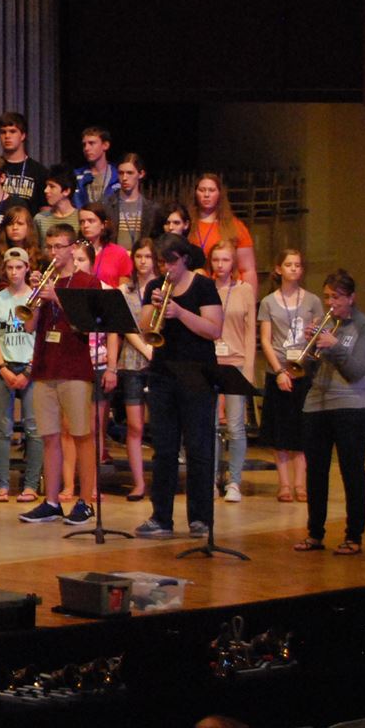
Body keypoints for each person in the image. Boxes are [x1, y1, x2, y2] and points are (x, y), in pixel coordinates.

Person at [134, 235, 224, 538]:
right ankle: (161, 517)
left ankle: (201, 518)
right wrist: (154, 307)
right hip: (162, 374)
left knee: (198, 448)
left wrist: (180, 312)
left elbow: (214, 329)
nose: (166, 268)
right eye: (161, 262)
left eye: (170, 262)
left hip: (198, 375)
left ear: (184, 258)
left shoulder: (203, 286)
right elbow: (146, 329)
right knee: (164, 449)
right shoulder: (154, 286)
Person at [15, 224, 99, 526]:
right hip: (44, 367)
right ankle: (51, 502)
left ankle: (85, 502)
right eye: (49, 247)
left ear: (73, 248)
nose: (53, 253)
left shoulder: (87, 282)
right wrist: (36, 296)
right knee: (49, 436)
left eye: (59, 247)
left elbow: (87, 324)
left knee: (81, 435)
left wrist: (57, 297)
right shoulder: (46, 282)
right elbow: (28, 325)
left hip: (74, 368)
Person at [294, 269, 365, 556]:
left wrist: (335, 346)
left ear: (351, 298)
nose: (331, 303)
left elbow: (356, 371)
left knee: (352, 471)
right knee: (316, 472)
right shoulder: (324, 324)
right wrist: (308, 345)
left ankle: (354, 536)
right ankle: (315, 533)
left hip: (353, 405)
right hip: (317, 403)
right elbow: (308, 370)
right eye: (327, 297)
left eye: (337, 297)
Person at [258, 247, 320, 504]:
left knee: (302, 430)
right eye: (288, 264)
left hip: (303, 371)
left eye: (297, 265)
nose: (293, 268)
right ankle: (284, 484)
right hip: (279, 371)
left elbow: (318, 336)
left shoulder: (312, 301)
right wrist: (279, 371)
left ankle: (300, 484)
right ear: (278, 269)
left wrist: (313, 335)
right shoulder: (269, 302)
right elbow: (265, 339)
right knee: (280, 431)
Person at [0, 248, 43, 503]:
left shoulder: (35, 298)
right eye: (10, 267)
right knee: (3, 428)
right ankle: (2, 485)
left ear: (27, 268)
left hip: (30, 365)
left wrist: (29, 370)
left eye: (19, 267)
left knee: (34, 427)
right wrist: (2, 368)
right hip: (4, 365)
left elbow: (41, 338)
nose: (14, 272)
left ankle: (30, 485)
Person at [112, 240, 159, 502]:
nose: (143, 261)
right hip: (131, 361)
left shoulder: (163, 288)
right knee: (134, 425)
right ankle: (138, 483)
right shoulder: (125, 290)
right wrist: (145, 349)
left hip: (159, 362)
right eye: (139, 256)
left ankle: (161, 480)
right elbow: (126, 326)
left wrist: (154, 351)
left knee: (161, 425)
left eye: (148, 256)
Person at [208, 242, 255, 502]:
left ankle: (234, 481)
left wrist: (248, 370)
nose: (220, 265)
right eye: (216, 260)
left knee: (235, 426)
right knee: (211, 425)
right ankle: (211, 479)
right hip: (211, 363)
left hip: (236, 362)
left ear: (233, 263)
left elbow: (250, 332)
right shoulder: (207, 288)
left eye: (225, 260)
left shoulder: (244, 290)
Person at [190, 173, 257, 292]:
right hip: (195, 290)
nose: (206, 194)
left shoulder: (235, 226)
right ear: (195, 193)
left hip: (229, 291)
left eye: (211, 190)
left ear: (219, 194)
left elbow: (248, 269)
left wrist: (250, 299)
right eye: (202, 190)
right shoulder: (186, 225)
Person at [0, 111, 48, 211]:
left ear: (23, 135)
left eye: (12, 131)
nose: (7, 136)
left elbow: (46, 210)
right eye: (3, 132)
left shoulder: (39, 171)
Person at [108, 153, 161, 251]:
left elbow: (156, 241)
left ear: (141, 174)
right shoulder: (107, 205)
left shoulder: (153, 209)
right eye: (121, 173)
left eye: (130, 173)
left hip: (140, 258)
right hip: (115, 257)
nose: (124, 178)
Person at [73, 125, 119, 208]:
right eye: (84, 145)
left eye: (91, 143)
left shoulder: (119, 174)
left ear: (105, 145)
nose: (86, 148)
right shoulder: (75, 176)